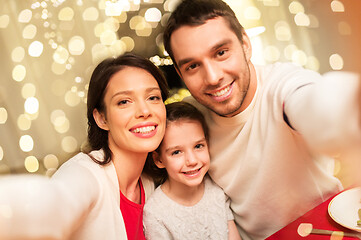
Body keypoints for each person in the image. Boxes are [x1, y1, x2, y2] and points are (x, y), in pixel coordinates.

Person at [162, 0, 361, 239]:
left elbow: (313, 104)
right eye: (193, 66)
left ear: (245, 44)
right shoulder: (189, 120)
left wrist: (349, 104)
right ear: (180, 73)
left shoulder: (283, 86)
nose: (213, 77)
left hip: (322, 230)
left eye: (221, 53)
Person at [0, 53, 169, 240]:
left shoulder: (149, 181)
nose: (145, 111)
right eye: (124, 102)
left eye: (153, 97)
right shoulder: (85, 174)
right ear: (102, 119)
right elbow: (57, 200)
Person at [143, 101, 242, 240]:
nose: (192, 160)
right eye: (177, 152)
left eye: (198, 146)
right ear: (159, 159)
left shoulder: (216, 190)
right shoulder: (156, 214)